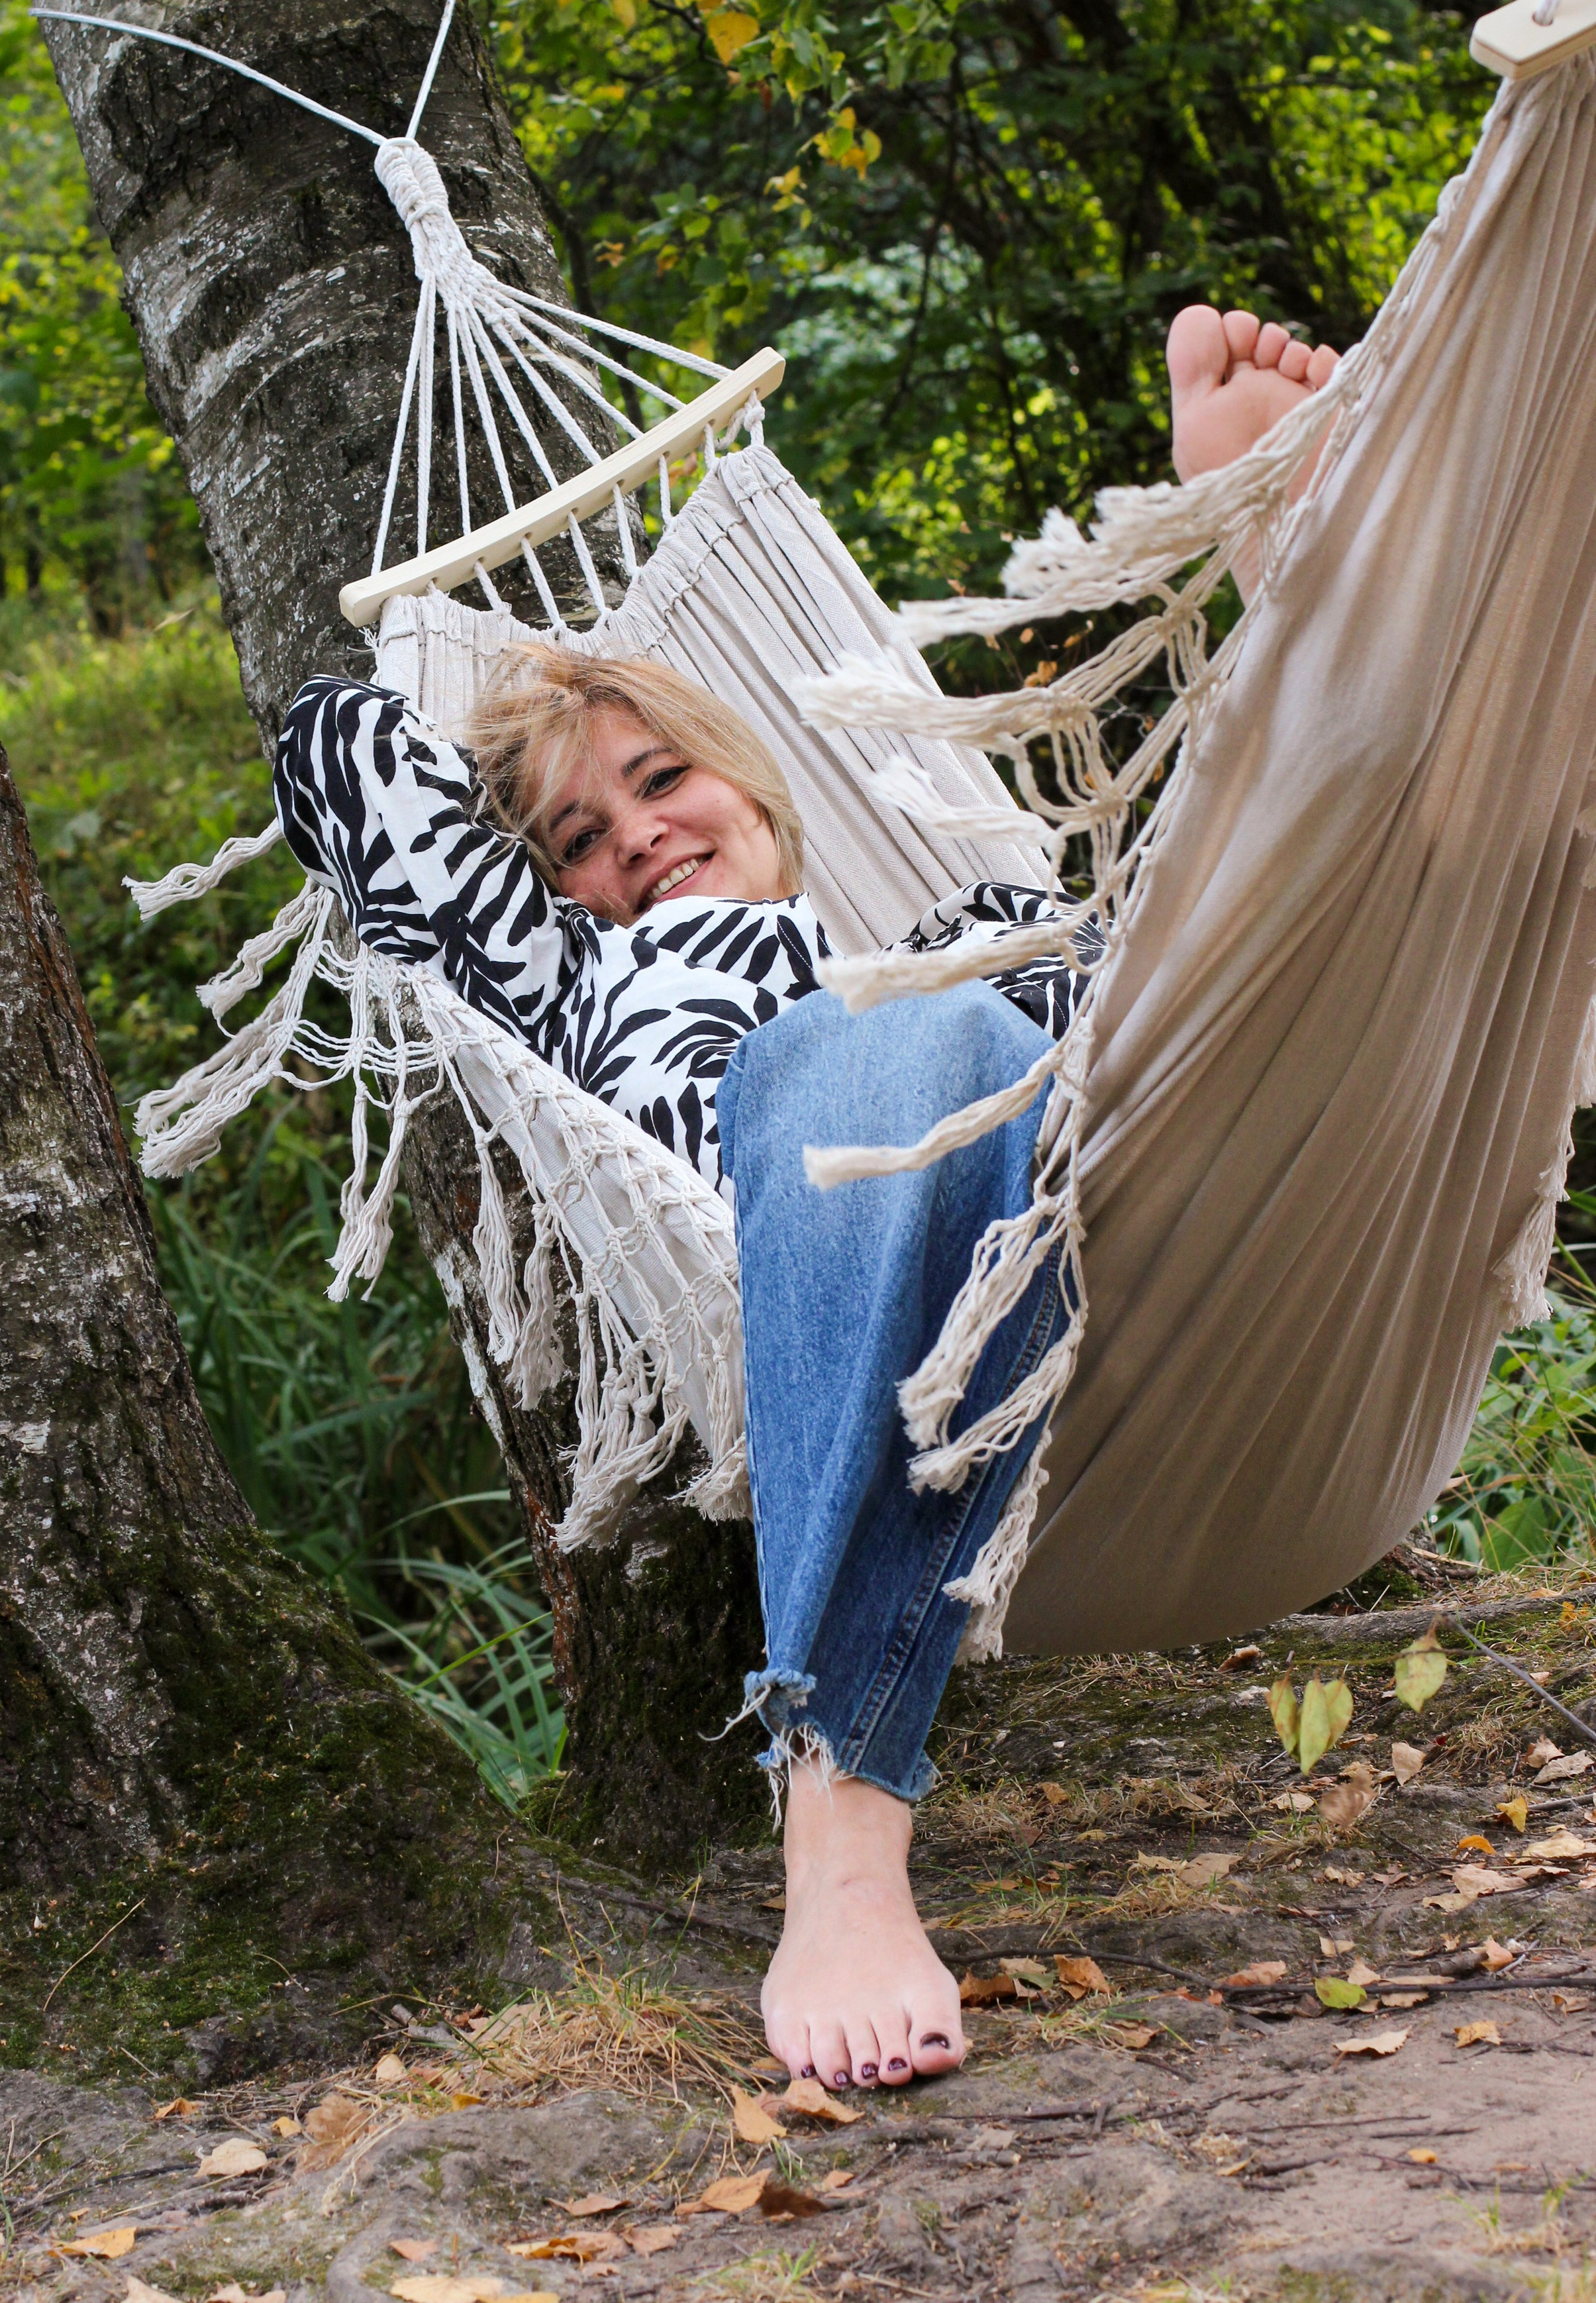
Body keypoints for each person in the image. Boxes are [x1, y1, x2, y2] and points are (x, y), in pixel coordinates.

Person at [272, 306, 1338, 2097]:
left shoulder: (946, 931)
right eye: (574, 842)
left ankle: (1283, 567)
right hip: (825, 1159)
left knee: (1117, 956)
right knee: (874, 1070)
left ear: (752, 785)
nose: (633, 841)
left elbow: (1185, 963)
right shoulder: (572, 986)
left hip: (1113, 1165)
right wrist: (453, 655)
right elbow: (331, 749)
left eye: (660, 781)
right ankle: (841, 1845)